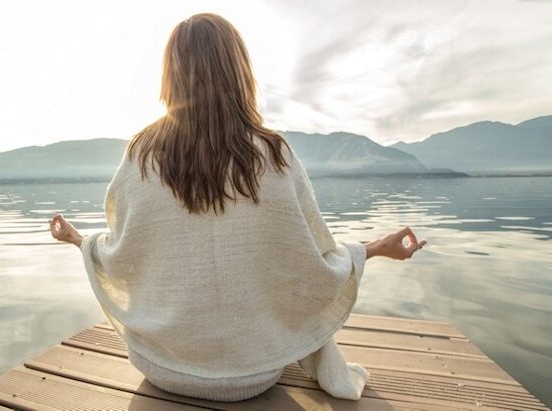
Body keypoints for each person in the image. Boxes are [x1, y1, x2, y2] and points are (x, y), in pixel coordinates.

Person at [48, 13, 426, 402]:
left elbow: (122, 252)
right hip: (253, 375)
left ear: (169, 76)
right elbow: (312, 263)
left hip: (161, 366)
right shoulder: (273, 154)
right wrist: (377, 248)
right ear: (239, 71)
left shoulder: (141, 155)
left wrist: (79, 240)